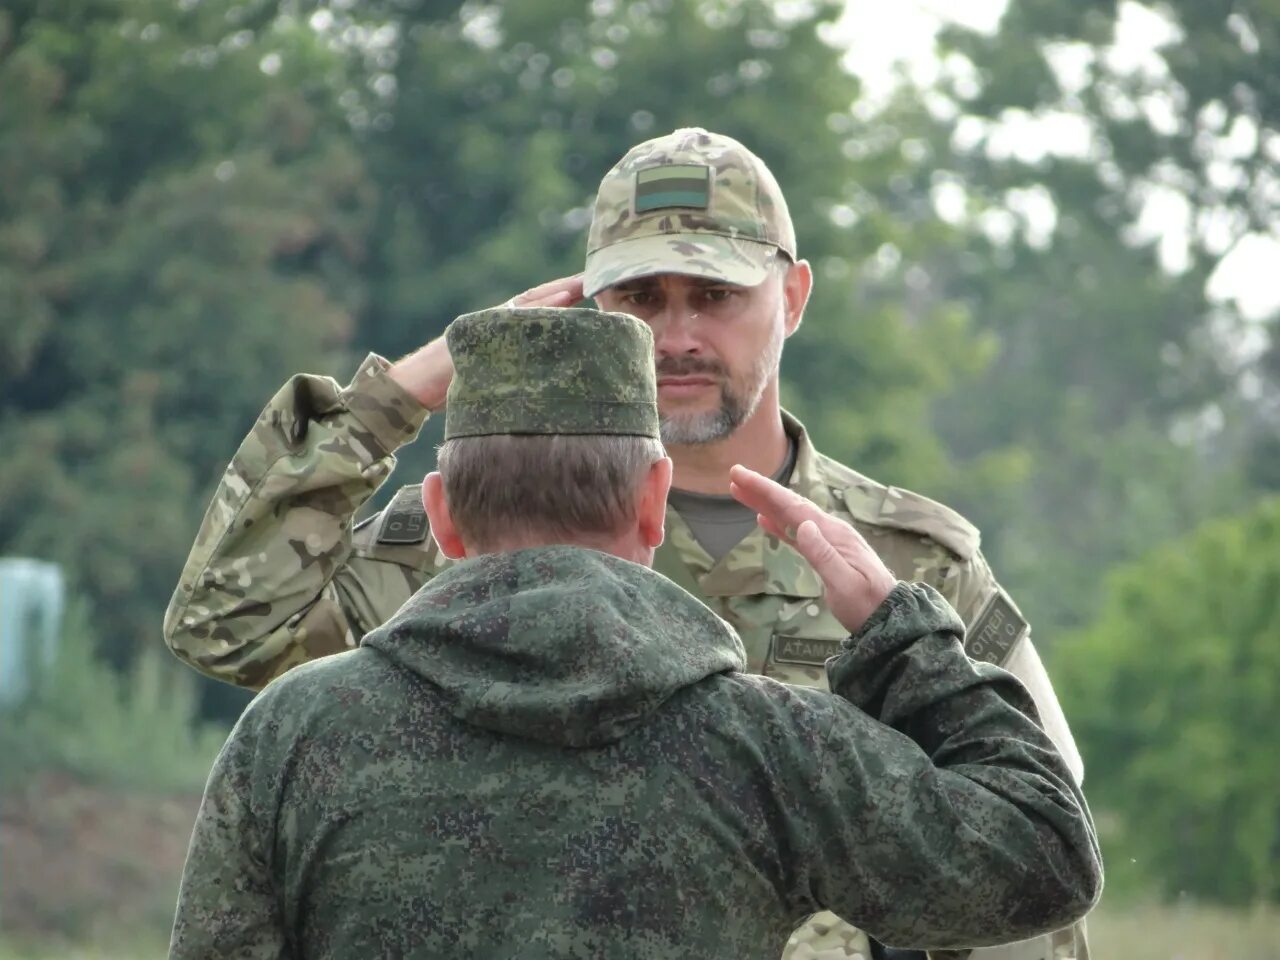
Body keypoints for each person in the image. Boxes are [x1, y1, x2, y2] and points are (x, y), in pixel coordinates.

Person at [164, 129, 1090, 960]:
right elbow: (227, 625)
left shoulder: (908, 565)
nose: (678, 335)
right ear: (588, 306)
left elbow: (1034, 871)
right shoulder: (479, 535)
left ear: (794, 297)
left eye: (717, 295)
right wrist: (412, 389)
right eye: (642, 297)